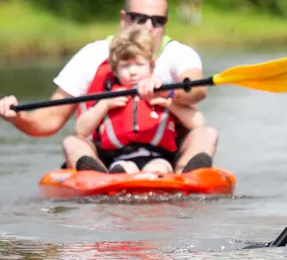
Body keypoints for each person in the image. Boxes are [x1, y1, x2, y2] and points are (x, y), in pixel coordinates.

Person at [0, 0, 218, 172]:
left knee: (206, 134)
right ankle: (98, 175)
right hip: (110, 156)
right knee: (73, 142)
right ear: (124, 19)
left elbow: (196, 90)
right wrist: (17, 116)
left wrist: (165, 93)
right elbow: (50, 120)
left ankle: (184, 176)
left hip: (164, 155)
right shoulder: (93, 55)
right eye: (140, 18)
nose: (149, 27)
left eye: (157, 21)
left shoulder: (179, 54)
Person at [72, 26, 205, 174]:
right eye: (125, 66)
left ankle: (159, 177)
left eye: (140, 65)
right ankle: (115, 176)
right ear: (115, 70)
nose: (133, 71)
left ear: (151, 66)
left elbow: (198, 123)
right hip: (120, 157)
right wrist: (104, 105)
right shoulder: (108, 96)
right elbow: (81, 130)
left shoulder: (163, 91)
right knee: (122, 168)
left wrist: (169, 102)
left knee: (158, 167)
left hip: (158, 156)